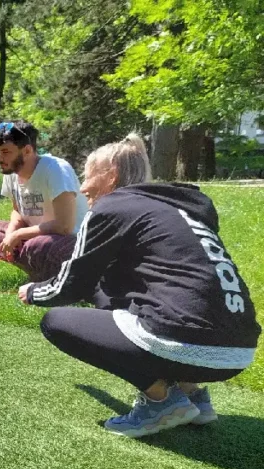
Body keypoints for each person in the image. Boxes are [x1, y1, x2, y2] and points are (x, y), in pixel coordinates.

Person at [19, 134, 260, 438]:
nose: (82, 187)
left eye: (87, 175)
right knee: (110, 287)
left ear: (111, 175)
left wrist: (33, 291)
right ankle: (193, 393)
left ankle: (161, 401)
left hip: (188, 344)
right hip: (239, 352)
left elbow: (72, 286)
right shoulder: (180, 209)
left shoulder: (111, 206)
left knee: (55, 322)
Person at [0, 121, 87, 281]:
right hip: (35, 236)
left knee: (36, 245)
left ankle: (60, 276)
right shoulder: (11, 172)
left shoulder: (56, 169)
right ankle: (37, 270)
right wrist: (11, 233)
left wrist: (19, 234)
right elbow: (17, 211)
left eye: (5, 152)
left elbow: (64, 226)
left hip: (73, 243)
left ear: (27, 150)